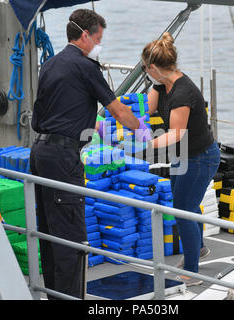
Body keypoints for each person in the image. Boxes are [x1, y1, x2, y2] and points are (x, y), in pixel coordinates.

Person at [30, 8, 150, 299]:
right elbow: (118, 109)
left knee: (48, 233)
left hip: (40, 153)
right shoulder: (86, 67)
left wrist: (86, 121)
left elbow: (43, 115)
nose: (99, 44)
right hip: (63, 159)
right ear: (85, 36)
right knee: (71, 237)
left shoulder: (50, 64)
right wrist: (140, 129)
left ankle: (52, 295)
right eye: (98, 38)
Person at [142, 32, 220, 286]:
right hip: (184, 156)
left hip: (200, 158)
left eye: (146, 69)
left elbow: (176, 134)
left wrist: (144, 145)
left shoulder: (183, 93)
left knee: (183, 211)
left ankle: (192, 271)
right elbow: (148, 108)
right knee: (183, 204)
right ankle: (197, 249)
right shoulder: (163, 84)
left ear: (153, 67)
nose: (146, 72)